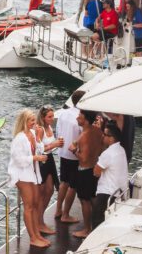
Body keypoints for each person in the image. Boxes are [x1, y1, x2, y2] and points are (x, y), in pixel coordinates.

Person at [7, 109, 50, 249]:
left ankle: (37, 234)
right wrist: (36, 158)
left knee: (36, 203)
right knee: (29, 205)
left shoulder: (32, 133)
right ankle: (32, 238)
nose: (35, 122)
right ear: (25, 122)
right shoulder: (19, 138)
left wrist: (38, 137)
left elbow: (39, 149)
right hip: (21, 174)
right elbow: (18, 159)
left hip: (31, 173)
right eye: (32, 120)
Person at [70, 110, 105, 239]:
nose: (77, 117)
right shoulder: (98, 131)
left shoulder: (84, 135)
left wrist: (74, 150)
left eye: (80, 116)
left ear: (85, 119)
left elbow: (83, 159)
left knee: (85, 200)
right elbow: (102, 148)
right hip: (94, 168)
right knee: (93, 198)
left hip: (85, 170)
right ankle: (96, 225)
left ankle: (87, 229)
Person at [54, 90, 85, 224]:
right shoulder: (80, 117)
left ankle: (58, 209)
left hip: (63, 152)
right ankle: (66, 214)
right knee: (73, 185)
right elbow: (83, 136)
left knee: (64, 182)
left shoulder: (63, 114)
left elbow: (58, 132)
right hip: (74, 154)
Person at [92, 122, 129, 230]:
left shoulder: (108, 153)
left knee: (97, 222)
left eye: (105, 134)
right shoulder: (121, 150)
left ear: (111, 138)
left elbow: (96, 172)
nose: (102, 136)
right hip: (117, 193)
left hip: (106, 193)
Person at [35, 106, 64, 235]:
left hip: (49, 159)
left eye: (53, 116)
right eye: (49, 117)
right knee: (42, 192)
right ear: (43, 118)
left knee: (50, 190)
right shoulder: (40, 129)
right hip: (42, 161)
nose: (52, 119)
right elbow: (39, 149)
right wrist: (55, 144)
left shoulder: (49, 127)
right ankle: (39, 222)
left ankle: (39, 220)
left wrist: (57, 144)